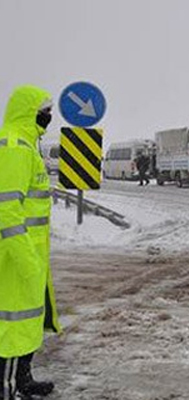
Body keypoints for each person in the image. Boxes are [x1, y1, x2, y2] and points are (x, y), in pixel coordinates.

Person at [0, 85, 61, 400]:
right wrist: (27, 262)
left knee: (28, 322)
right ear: (28, 109)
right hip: (15, 258)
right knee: (12, 325)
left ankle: (23, 379)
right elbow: (6, 211)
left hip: (30, 254)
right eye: (44, 109)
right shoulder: (14, 146)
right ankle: (8, 388)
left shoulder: (27, 143)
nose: (48, 115)